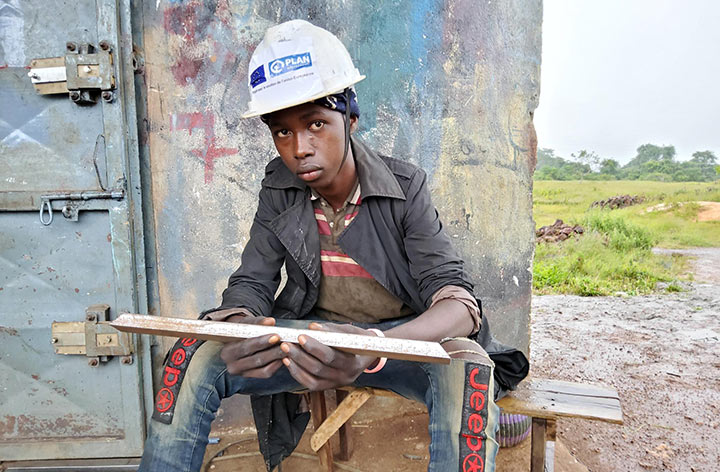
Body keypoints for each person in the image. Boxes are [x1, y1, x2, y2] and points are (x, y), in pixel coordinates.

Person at [139, 19, 527, 472]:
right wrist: (237, 327)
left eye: (316, 124)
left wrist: (375, 344)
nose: (299, 147)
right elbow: (251, 283)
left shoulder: (405, 186)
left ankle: (490, 424)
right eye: (281, 131)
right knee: (192, 353)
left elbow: (458, 302)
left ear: (351, 119)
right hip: (315, 347)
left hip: (398, 345)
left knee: (469, 369)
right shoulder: (279, 189)